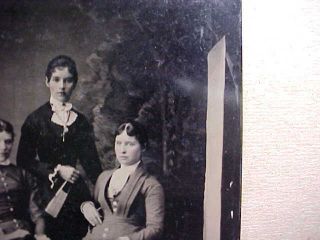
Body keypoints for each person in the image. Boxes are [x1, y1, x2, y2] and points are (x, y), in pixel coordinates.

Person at [16, 55, 102, 240]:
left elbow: (93, 167)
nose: (62, 86)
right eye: (56, 80)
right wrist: (56, 169)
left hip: (75, 194)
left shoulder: (81, 122)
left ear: (74, 83)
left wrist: (95, 200)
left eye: (68, 80)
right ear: (47, 81)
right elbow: (23, 160)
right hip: (44, 196)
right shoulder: (35, 120)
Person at [81, 120, 164, 240]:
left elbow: (156, 229)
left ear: (143, 147)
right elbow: (94, 208)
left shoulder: (151, 185)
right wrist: (86, 206)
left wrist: (130, 239)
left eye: (130, 144)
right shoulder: (103, 177)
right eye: (118, 143)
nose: (122, 150)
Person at [0, 119, 50, 240]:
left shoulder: (23, 174)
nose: (3, 147)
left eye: (8, 142)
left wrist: (40, 235)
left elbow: (37, 213)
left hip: (24, 234)